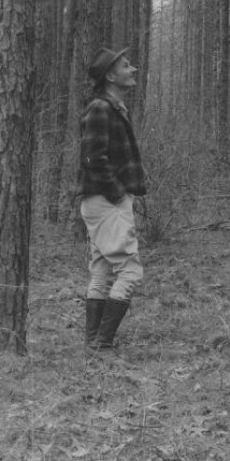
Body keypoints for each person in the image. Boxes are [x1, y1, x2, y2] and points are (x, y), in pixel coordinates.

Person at [78, 45, 148, 354]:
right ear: (110, 76)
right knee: (130, 272)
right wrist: (119, 194)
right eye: (125, 66)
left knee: (104, 270)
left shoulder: (115, 107)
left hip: (106, 200)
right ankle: (102, 343)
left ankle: (93, 343)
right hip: (106, 201)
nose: (132, 70)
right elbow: (94, 158)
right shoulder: (100, 108)